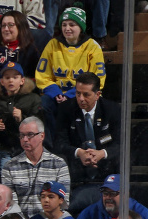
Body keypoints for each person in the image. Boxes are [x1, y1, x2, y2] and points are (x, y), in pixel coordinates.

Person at [54, 72, 121, 215]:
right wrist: (79, 153)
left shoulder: (112, 109)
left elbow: (122, 144)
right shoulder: (66, 109)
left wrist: (102, 154)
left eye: (86, 94)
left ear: (97, 94)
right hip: (77, 170)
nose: (81, 99)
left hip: (106, 168)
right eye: (78, 94)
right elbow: (59, 143)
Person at [36, 7, 106, 141]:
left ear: (81, 27)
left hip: (82, 95)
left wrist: (71, 94)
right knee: (42, 105)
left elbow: (98, 79)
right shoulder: (52, 44)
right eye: (64, 25)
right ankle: (51, 145)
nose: (67, 28)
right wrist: (56, 93)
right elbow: (42, 75)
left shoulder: (92, 46)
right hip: (55, 95)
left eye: (72, 24)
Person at [1, 117, 71, 219]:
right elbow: (10, 204)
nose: (25, 139)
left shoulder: (59, 164)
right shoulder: (10, 166)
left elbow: (63, 201)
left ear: (42, 136)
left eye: (30, 135)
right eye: (22, 135)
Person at [0, 61, 42, 167]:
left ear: (22, 81)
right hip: (2, 149)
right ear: (2, 82)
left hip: (26, 150)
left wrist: (21, 118)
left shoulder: (33, 99)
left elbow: (40, 126)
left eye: (15, 77)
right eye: (7, 78)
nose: (11, 80)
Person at [0, 11, 41, 88]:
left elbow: (36, 77)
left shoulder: (30, 50)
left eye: (10, 25)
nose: (6, 29)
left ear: (20, 27)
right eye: (3, 25)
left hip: (21, 90)